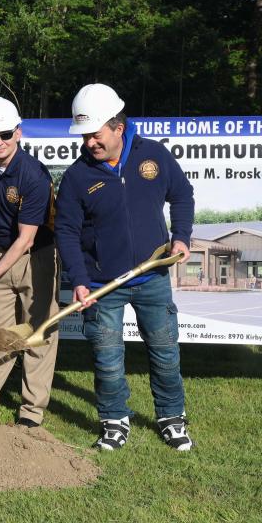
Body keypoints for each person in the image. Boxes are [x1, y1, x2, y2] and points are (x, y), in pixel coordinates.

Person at [55, 83, 194, 451]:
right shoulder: (77, 176)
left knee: (165, 351)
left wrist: (180, 237)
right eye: (84, 136)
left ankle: (171, 417)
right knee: (107, 357)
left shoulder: (155, 157)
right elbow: (66, 231)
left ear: (117, 126)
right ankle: (114, 421)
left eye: (95, 134)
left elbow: (181, 194)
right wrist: (80, 280)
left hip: (152, 277)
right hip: (103, 285)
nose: (88, 143)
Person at [0, 98, 59, 427]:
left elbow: (27, 239)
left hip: (38, 256)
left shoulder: (33, 175)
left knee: (37, 335)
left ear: (18, 133)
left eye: (5, 134)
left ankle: (31, 411)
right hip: (3, 254)